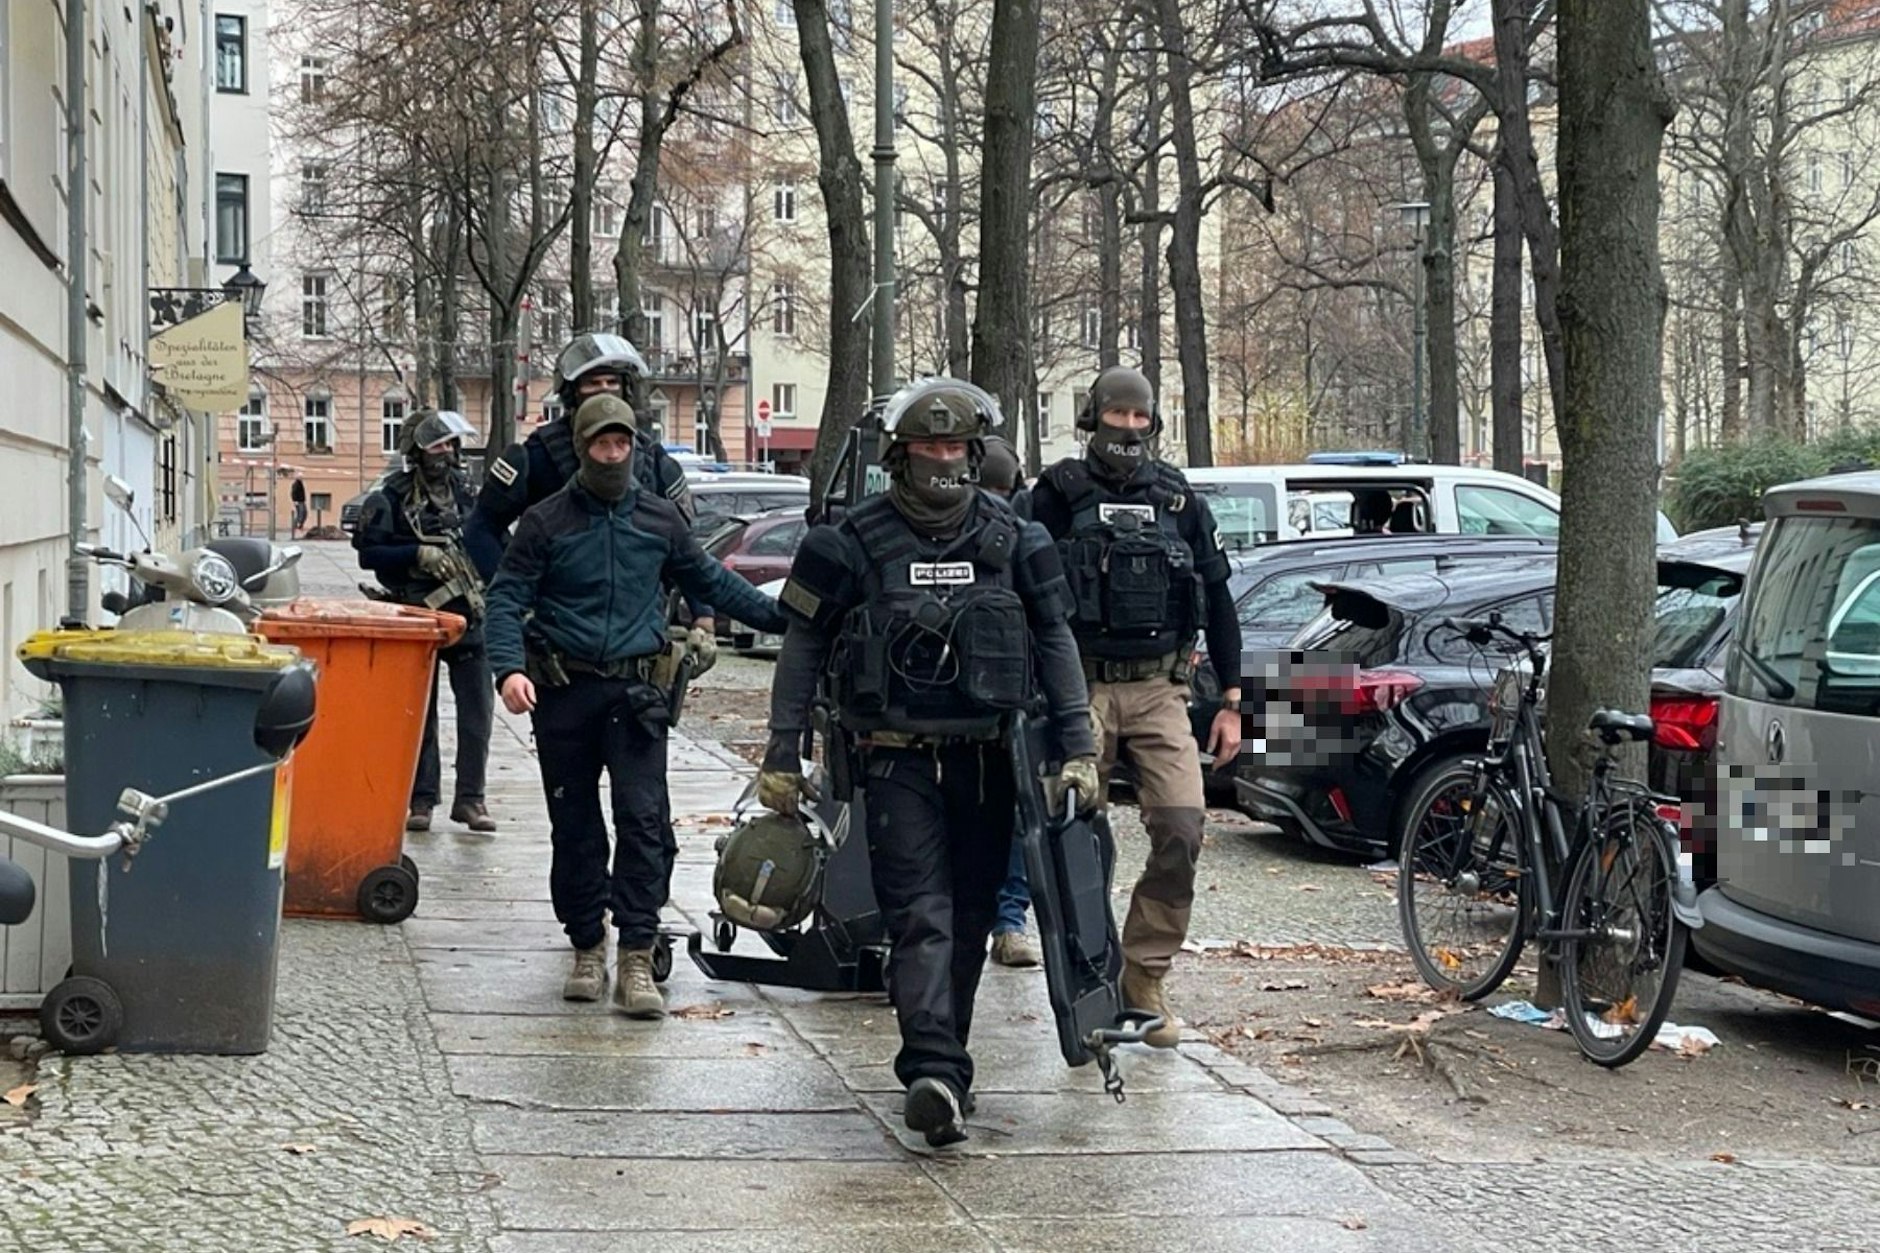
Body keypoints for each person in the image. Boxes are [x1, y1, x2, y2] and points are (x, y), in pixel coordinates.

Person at [756, 380, 1098, 1147]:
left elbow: (1055, 642)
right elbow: (803, 645)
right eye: (926, 447)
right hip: (894, 761)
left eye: (953, 446)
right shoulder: (849, 540)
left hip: (988, 761)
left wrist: (1078, 747)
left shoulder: (1020, 540)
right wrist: (783, 753)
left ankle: (947, 1069)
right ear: (898, 456)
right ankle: (931, 1068)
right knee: (921, 916)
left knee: (971, 918)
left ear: (975, 453)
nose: (942, 459)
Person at [484, 394, 788, 1019]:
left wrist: (787, 616)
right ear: (583, 447)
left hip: (636, 696)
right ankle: (588, 946)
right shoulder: (545, 522)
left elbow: (710, 580)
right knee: (575, 828)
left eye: (622, 444)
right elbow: (506, 599)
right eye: (601, 444)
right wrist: (508, 671)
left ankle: (637, 953)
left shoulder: (659, 519)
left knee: (644, 823)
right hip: (564, 694)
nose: (613, 454)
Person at [1030, 366, 1243, 1049]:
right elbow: (1022, 594)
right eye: (1115, 415)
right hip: (1076, 686)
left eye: (1138, 416)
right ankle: (1084, 970)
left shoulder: (1180, 502)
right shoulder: (1056, 495)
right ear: (1094, 418)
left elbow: (1219, 599)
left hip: (1160, 689)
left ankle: (1144, 973)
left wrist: (1233, 699)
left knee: (1183, 825)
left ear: (1153, 422)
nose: (1127, 427)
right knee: (1073, 832)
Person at [464, 331, 718, 675]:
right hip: (560, 632)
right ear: (571, 392)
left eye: (612, 381)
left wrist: (703, 616)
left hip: (637, 631)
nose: (603, 391)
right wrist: (514, 598)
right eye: (592, 382)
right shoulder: (535, 457)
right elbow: (481, 529)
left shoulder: (652, 460)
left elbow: (685, 550)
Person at [353, 410, 497, 834]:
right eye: (437, 445)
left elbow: (493, 544)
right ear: (416, 450)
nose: (446, 453)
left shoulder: (469, 494)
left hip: (469, 616)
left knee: (478, 714)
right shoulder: (391, 497)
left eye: (451, 445)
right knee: (420, 714)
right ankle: (421, 798)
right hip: (417, 617)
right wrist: (416, 554)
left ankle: (471, 799)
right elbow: (369, 554)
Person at [974, 435, 1041, 969]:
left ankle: (1009, 920)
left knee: (1020, 812)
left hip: (1016, 695)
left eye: (1005, 490)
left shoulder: (1025, 541)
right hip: (959, 699)